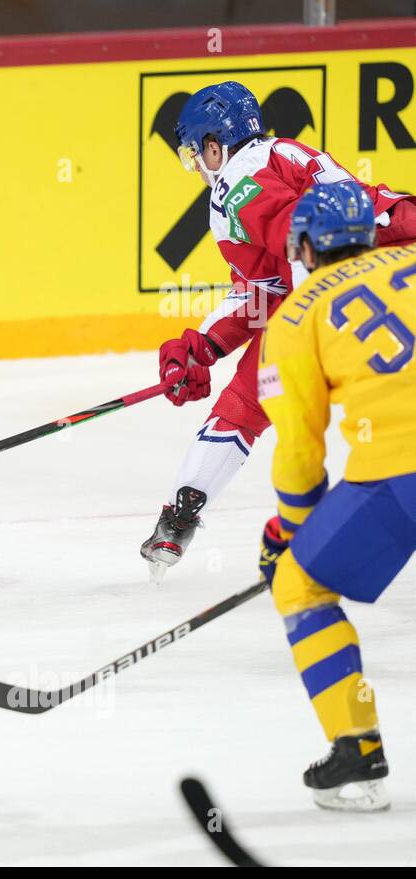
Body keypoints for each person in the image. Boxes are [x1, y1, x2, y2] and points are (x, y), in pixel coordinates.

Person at [141, 81, 416, 578]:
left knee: (256, 399)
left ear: (213, 146)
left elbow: (313, 243)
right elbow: (272, 285)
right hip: (387, 268)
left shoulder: (236, 181)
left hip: (365, 293)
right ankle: (187, 511)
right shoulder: (283, 154)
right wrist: (206, 344)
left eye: (195, 155)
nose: (198, 169)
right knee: (258, 390)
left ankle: (204, 515)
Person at [258, 181, 416, 811]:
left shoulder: (295, 318)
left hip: (396, 476)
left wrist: (288, 532)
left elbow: (299, 449)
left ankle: (357, 755)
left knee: (299, 586)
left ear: (304, 247)